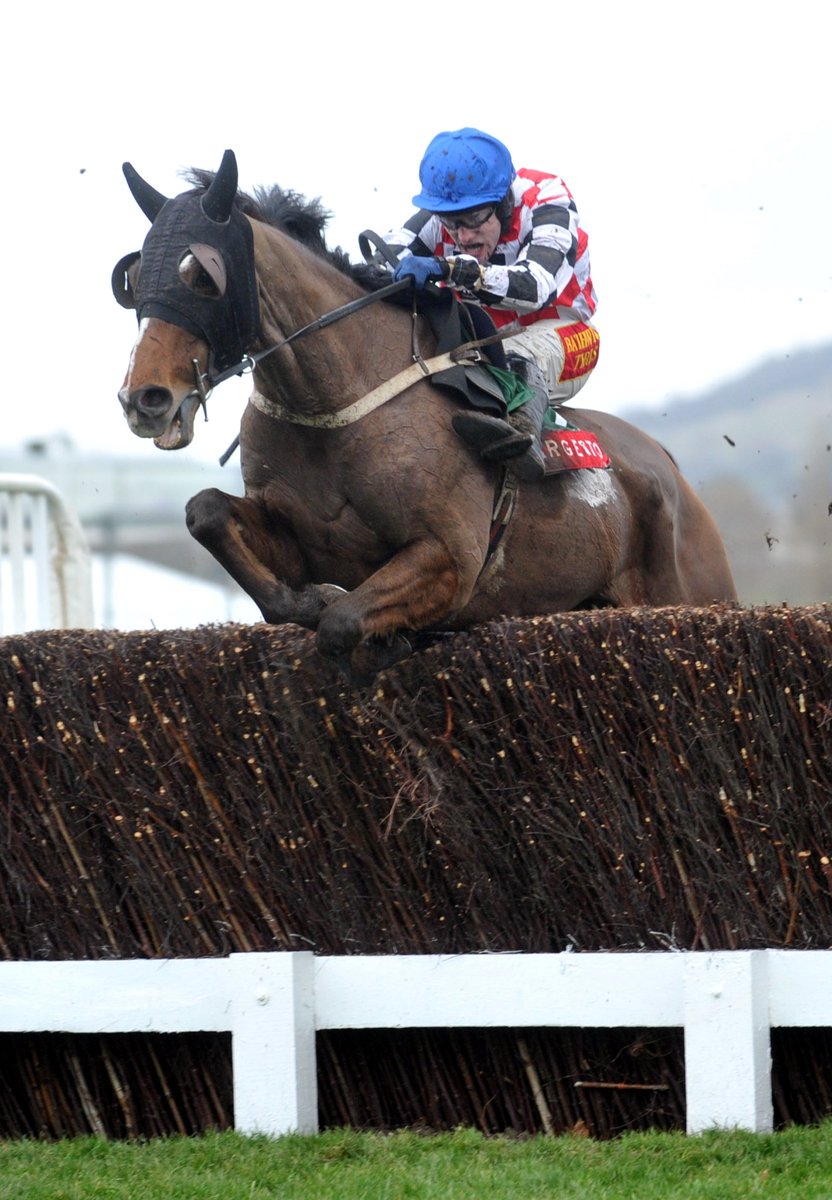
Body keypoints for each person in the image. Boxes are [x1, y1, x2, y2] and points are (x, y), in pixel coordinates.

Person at [381, 127, 599, 482]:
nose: (463, 236)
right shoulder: (443, 219)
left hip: (564, 335)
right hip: (480, 342)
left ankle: (522, 436)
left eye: (473, 219)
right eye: (452, 223)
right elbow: (388, 256)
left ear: (504, 203)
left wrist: (450, 268)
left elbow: (535, 286)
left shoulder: (547, 201)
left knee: (505, 359)